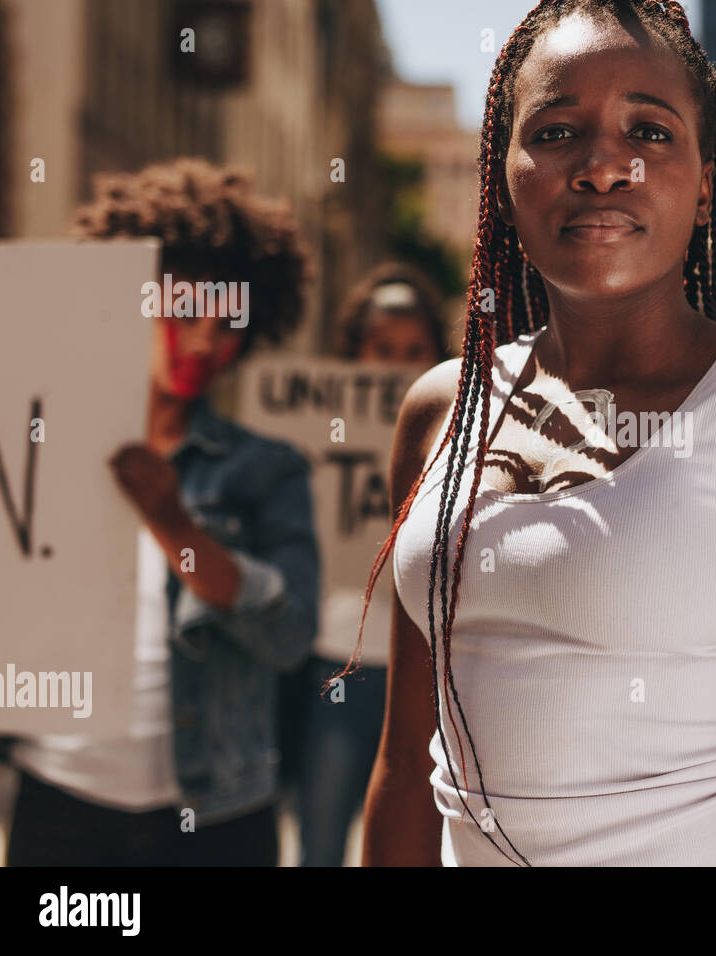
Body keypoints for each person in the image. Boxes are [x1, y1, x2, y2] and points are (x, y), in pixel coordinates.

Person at [343, 0, 716, 867]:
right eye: (557, 132)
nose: (604, 165)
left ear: (707, 176)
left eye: (649, 129)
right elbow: (410, 766)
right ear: (506, 171)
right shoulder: (440, 409)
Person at [5, 158, 320, 866]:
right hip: (59, 802)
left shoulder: (267, 469)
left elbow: (291, 634)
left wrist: (175, 528)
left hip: (216, 817)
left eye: (227, 322)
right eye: (182, 311)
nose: (205, 340)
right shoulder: (38, 446)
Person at [291, 262, 449, 867]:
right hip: (339, 666)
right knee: (322, 839)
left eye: (413, 351)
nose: (396, 364)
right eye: (382, 349)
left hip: (426, 672)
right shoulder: (309, 437)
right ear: (352, 354)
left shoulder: (460, 432)